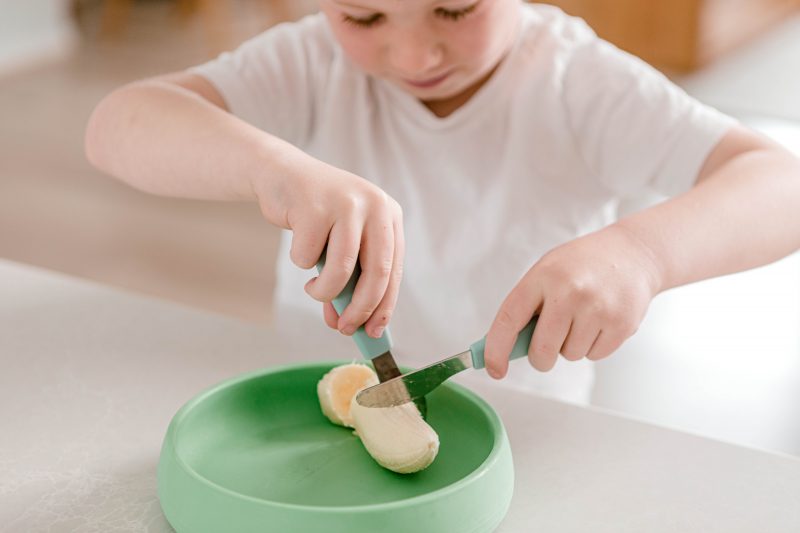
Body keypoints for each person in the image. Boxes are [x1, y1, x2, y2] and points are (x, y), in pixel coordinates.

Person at [85, 0, 800, 404]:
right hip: (322, 420)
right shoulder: (310, 63)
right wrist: (271, 168)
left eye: (454, 9)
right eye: (364, 19)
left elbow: (779, 183)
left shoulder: (578, 82)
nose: (414, 56)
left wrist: (640, 255)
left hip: (529, 439)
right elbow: (118, 124)